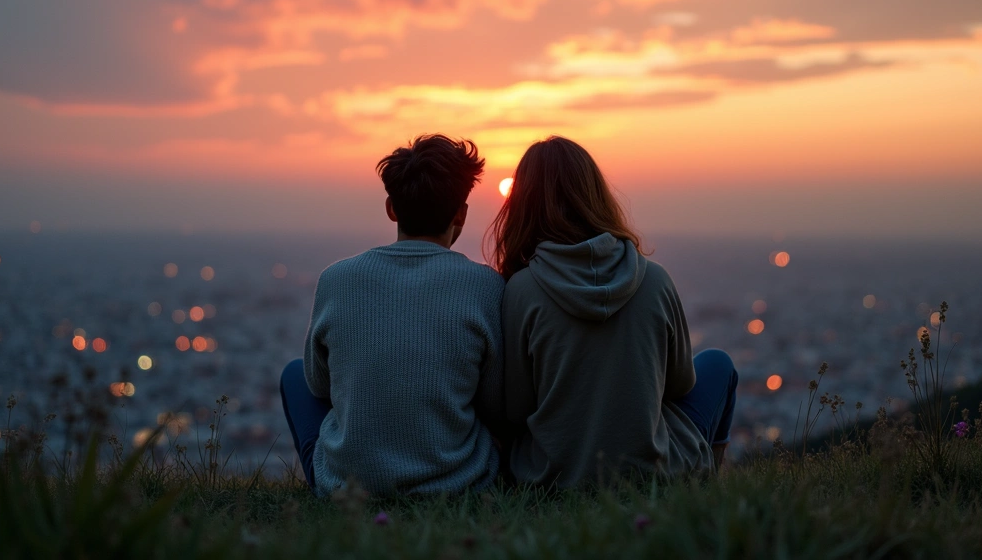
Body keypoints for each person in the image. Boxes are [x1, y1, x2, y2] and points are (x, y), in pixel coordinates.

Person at [487, 136, 737, 488]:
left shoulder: (521, 290)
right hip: (654, 472)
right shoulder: (655, 278)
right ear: (596, 196)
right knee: (719, 365)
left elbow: (517, 410)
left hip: (553, 478)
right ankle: (708, 486)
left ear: (522, 206)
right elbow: (681, 383)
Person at [280, 134, 505, 497]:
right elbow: (494, 403)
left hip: (351, 489)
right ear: (460, 214)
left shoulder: (336, 279)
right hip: (459, 484)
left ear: (391, 208)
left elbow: (319, 385)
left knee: (294, 374)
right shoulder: (486, 286)